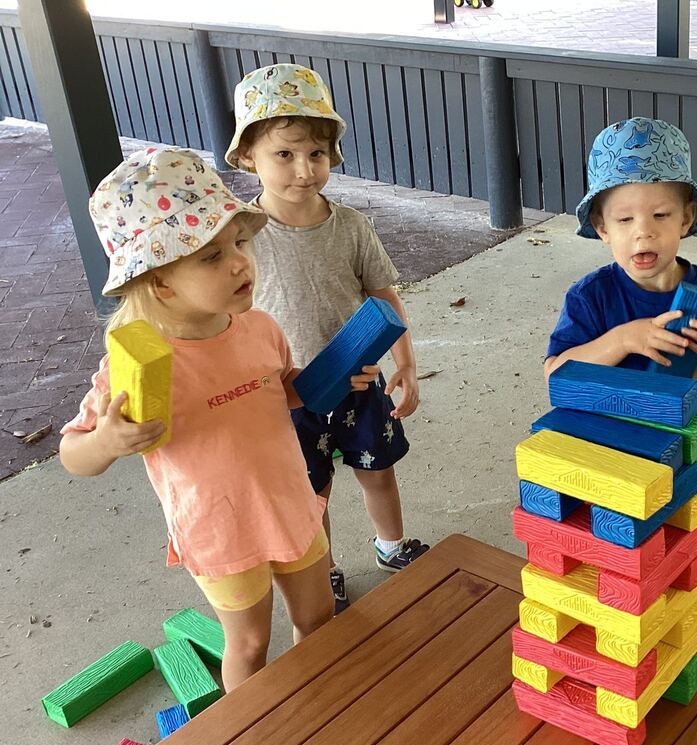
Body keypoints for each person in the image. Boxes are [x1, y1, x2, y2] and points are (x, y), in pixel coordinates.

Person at [60, 147, 376, 690]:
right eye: (210, 256)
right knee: (250, 644)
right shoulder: (136, 364)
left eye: (239, 242)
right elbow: (74, 455)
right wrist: (108, 441)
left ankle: (314, 702)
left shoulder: (257, 327)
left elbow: (283, 391)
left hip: (288, 500)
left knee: (317, 616)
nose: (239, 262)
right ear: (159, 281)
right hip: (218, 529)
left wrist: (328, 381)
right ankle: (246, 733)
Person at [227, 63, 427, 612]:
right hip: (286, 395)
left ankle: (392, 546)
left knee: (378, 471)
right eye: (284, 155)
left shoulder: (351, 226)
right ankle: (327, 571)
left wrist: (404, 363)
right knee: (312, 493)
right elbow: (229, 317)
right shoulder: (240, 237)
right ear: (248, 156)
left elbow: (383, 296)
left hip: (360, 380)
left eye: (316, 154)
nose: (303, 170)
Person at [544, 117, 697, 453]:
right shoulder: (590, 297)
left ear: (685, 219)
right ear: (602, 228)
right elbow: (555, 376)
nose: (643, 231)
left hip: (685, 453)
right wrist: (623, 339)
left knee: (683, 507)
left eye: (660, 215)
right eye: (625, 219)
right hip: (606, 454)